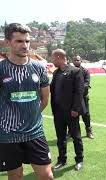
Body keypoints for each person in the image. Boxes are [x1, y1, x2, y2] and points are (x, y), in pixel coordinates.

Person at [0, 23, 53, 179]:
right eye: (19, 41)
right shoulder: (1, 69)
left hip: (35, 132)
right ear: (8, 42)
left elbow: (44, 99)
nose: (25, 45)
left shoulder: (39, 68)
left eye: (27, 41)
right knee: (16, 176)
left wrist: (30, 117)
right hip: (8, 135)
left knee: (47, 176)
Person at [50, 49, 85, 171]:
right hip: (58, 111)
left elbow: (79, 92)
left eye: (53, 58)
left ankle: (79, 159)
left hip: (71, 111)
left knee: (76, 137)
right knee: (60, 137)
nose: (52, 60)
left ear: (59, 57)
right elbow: (52, 90)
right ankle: (61, 160)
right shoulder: (55, 73)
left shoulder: (75, 71)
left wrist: (75, 108)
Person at [73, 55, 94, 139]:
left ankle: (89, 131)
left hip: (83, 97)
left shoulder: (85, 71)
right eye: (75, 60)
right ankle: (71, 132)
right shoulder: (70, 71)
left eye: (78, 60)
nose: (76, 61)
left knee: (86, 114)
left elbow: (86, 83)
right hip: (73, 98)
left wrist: (78, 89)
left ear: (81, 61)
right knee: (73, 115)